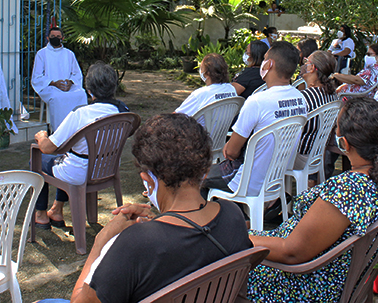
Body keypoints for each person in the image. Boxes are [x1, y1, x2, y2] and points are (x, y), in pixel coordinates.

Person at [244, 97, 378, 303]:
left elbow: (291, 253)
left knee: (213, 257)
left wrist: (236, 240)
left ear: (344, 143)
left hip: (304, 283)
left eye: (337, 127)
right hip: (342, 273)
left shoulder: (348, 191)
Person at [67, 113, 252, 303]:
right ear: (205, 171)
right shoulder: (232, 216)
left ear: (148, 181)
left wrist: (102, 241)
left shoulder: (134, 245)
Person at [201, 41, 307, 198]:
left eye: (264, 59)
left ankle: (214, 220)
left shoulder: (257, 101)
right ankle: (263, 209)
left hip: (245, 181)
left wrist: (229, 148)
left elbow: (231, 152)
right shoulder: (300, 99)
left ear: (269, 64)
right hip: (275, 178)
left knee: (194, 177)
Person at [32, 62, 129, 228]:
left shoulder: (80, 114)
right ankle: (57, 209)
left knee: (38, 160)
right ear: (114, 87)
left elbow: (48, 147)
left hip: (80, 172)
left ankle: (41, 214)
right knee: (64, 158)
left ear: (89, 91)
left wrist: (42, 137)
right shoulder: (123, 111)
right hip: (107, 168)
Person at [293, 51, 340, 180]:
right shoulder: (332, 95)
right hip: (318, 154)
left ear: (312, 67)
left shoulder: (304, 97)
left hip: (300, 156)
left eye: (306, 62)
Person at [31, 26, 88, 130]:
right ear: (48, 38)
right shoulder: (41, 53)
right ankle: (59, 130)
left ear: (62, 38)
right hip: (50, 87)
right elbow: (37, 76)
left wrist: (71, 82)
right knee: (57, 98)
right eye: (53, 36)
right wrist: (53, 83)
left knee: (81, 94)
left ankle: (79, 128)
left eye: (58, 36)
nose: (55, 38)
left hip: (68, 87)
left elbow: (77, 73)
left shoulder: (69, 54)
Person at [175, 53, 238, 118]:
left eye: (201, 68)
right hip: (224, 128)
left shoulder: (200, 94)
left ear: (207, 74)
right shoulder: (231, 89)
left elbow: (177, 116)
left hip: (202, 127)